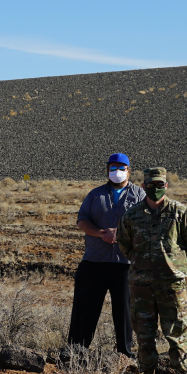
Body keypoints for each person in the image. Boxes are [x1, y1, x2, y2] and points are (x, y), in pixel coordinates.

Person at [116, 167, 187, 374]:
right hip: (141, 286)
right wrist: (141, 264)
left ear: (166, 186)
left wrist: (176, 266)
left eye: (160, 185)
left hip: (171, 285)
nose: (155, 189)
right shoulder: (131, 216)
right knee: (144, 334)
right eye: (151, 185)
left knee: (177, 333)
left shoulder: (181, 213)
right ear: (143, 186)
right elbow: (124, 244)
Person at [67, 153, 145, 358]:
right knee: (85, 308)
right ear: (107, 170)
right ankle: (76, 352)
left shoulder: (139, 195)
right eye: (112, 168)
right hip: (94, 260)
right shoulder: (95, 195)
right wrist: (102, 233)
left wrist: (119, 234)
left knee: (125, 311)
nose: (116, 172)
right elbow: (82, 220)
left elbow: (146, 223)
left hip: (125, 262)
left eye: (121, 168)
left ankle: (124, 354)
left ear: (129, 170)